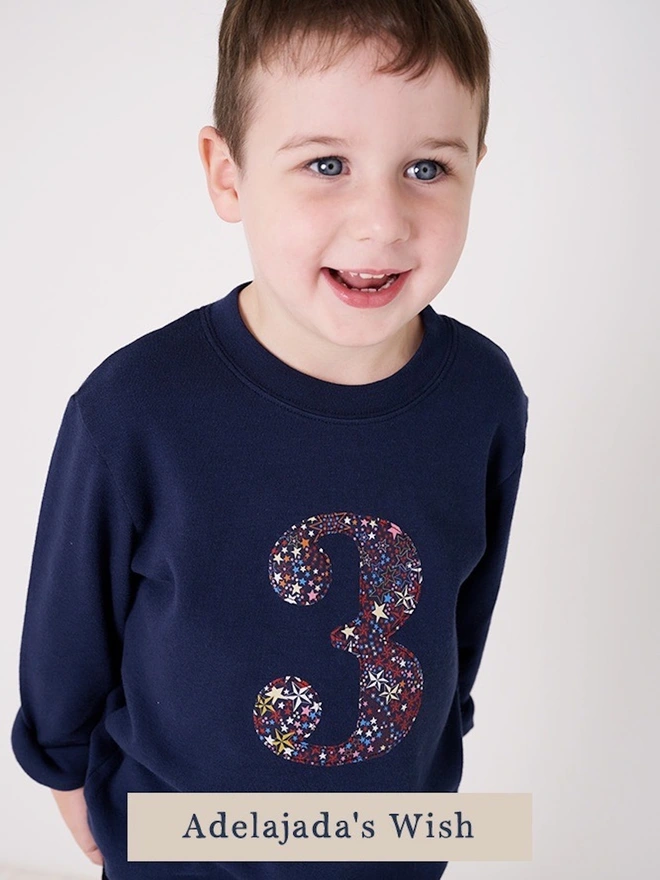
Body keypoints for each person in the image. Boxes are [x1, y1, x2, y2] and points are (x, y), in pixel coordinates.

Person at [11, 1, 529, 878]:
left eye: (427, 167)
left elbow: (463, 610)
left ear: (478, 164)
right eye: (326, 163)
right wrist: (70, 781)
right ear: (228, 173)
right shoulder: (135, 407)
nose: (381, 220)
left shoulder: (482, 395)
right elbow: (68, 629)